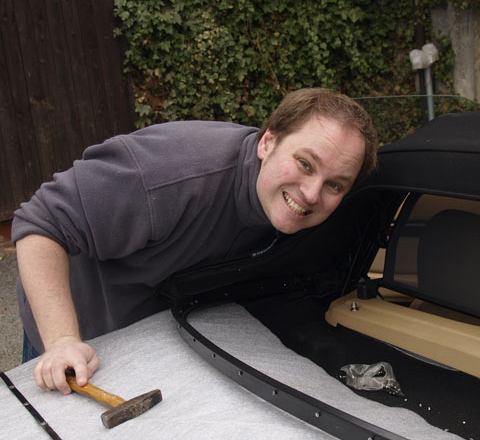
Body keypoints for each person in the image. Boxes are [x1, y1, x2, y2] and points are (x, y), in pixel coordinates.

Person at [13, 87, 377, 394]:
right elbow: (41, 222)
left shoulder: (307, 210)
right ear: (268, 141)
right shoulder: (169, 175)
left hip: (153, 338)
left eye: (334, 184)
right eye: (305, 164)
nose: (312, 194)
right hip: (75, 333)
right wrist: (61, 341)